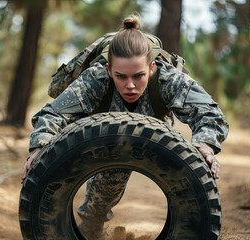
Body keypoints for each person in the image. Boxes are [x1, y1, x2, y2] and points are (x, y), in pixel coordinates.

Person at [21, 14, 229, 240]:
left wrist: (205, 146)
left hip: (155, 129)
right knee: (103, 193)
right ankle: (90, 227)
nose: (130, 85)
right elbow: (52, 113)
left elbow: (210, 112)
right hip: (101, 132)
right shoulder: (96, 78)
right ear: (109, 70)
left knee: (181, 175)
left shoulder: (168, 79)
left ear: (151, 68)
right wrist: (38, 149)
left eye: (138, 76)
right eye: (121, 76)